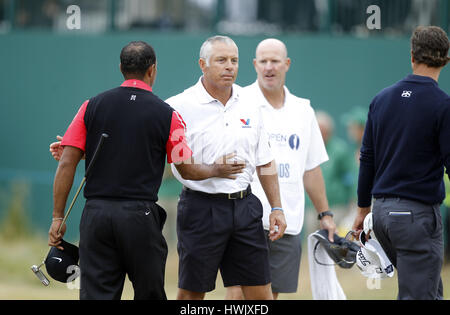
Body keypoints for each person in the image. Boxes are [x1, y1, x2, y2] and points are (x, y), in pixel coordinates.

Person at [48, 41, 246, 300]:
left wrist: (57, 217)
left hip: (96, 215)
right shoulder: (168, 115)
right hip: (139, 218)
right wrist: (217, 169)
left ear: (121, 68)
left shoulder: (91, 106)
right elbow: (185, 169)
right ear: (153, 70)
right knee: (149, 293)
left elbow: (66, 162)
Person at [166, 35, 287, 300]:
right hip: (200, 209)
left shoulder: (251, 102)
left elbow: (265, 162)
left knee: (261, 294)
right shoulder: (177, 106)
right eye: (221, 60)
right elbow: (168, 160)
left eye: (234, 60)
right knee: (191, 294)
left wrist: (276, 207)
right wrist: (213, 169)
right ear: (203, 64)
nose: (229, 66)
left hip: (245, 208)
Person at [226, 38, 336, 300]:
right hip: (243, 218)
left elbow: (310, 169)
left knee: (269, 297)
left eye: (274, 61)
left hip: (287, 222)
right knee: (238, 293)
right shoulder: (237, 101)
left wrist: (325, 214)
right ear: (254, 64)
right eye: (263, 61)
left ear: (286, 64)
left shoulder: (303, 110)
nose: (268, 67)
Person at [352, 26, 450, 300]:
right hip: (416, 217)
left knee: (429, 291)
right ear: (445, 59)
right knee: (418, 294)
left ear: (411, 56)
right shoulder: (443, 105)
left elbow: (367, 158)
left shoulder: (381, 99)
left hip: (382, 215)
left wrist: (362, 210)